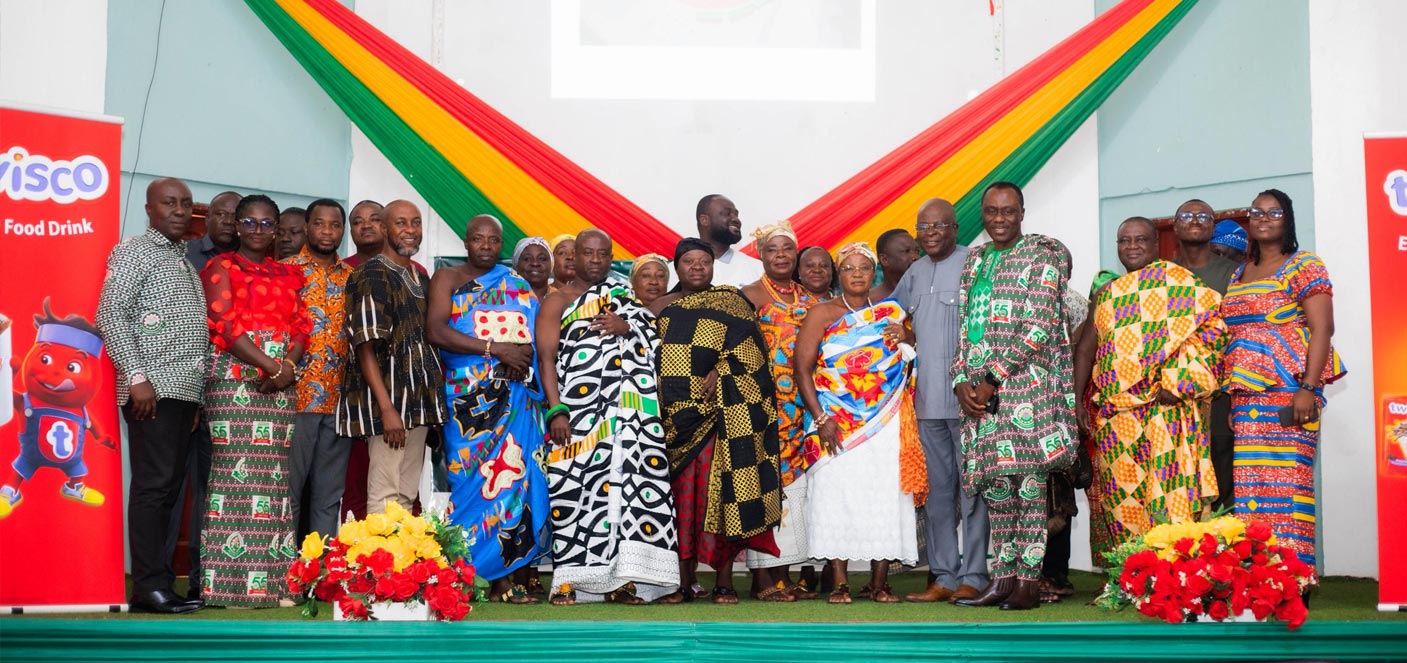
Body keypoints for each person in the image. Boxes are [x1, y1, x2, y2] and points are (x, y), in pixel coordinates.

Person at [537, 229, 680, 605]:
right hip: (579, 415)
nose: (596, 260)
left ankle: (624, 581)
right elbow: (546, 359)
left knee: (627, 495)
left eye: (603, 254)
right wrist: (556, 410)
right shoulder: (557, 301)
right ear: (575, 257)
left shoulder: (625, 298)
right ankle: (568, 582)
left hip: (633, 418)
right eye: (588, 253)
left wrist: (627, 326)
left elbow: (656, 342)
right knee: (575, 492)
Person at [951, 181, 1076, 611]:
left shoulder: (1041, 257)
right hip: (981, 400)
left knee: (1030, 489)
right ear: (982, 215)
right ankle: (1001, 581)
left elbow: (1039, 326)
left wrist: (992, 378)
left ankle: (1028, 582)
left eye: (1008, 211)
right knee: (998, 492)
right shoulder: (976, 261)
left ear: (1022, 212)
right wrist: (960, 383)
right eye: (991, 211)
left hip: (1025, 391)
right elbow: (967, 329)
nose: (999, 219)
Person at [1072, 217, 1227, 551]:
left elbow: (1213, 333)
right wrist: (1076, 402)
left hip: (1164, 411)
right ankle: (1130, 574)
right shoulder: (1107, 293)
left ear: (1157, 244)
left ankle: (1172, 576)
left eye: (1139, 240)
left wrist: (1181, 382)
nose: (1131, 246)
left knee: (1169, 498)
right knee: (1121, 499)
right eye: (1123, 241)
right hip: (1116, 415)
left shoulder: (1180, 282)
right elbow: (1086, 349)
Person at [94, 177, 208, 614]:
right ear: (149, 208)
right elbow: (109, 312)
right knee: (153, 488)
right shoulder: (135, 251)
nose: (179, 210)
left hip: (180, 394)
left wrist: (194, 398)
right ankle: (146, 586)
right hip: (151, 390)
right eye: (169, 203)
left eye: (185, 203)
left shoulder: (179, 259)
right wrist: (136, 375)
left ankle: (157, 583)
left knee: (166, 490)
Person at [427, 215, 549, 604]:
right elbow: (436, 330)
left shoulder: (518, 286)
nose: (484, 245)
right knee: (469, 485)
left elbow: (534, 340)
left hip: (513, 399)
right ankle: (459, 573)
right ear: (466, 242)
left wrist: (520, 359)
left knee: (513, 485)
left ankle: (502, 580)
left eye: (492, 240)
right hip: (467, 403)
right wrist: (495, 350)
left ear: (500, 245)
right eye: (477, 238)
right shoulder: (447, 278)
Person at [198, 194, 311, 608]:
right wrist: (270, 367)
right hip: (235, 380)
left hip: (280, 382)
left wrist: (286, 369)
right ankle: (227, 586)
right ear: (238, 226)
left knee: (275, 480)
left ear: (278, 230)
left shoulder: (288, 273)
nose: (259, 231)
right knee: (234, 477)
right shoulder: (220, 267)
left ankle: (279, 584)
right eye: (250, 223)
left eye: (268, 224)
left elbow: (302, 325)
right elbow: (224, 325)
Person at [656, 238, 783, 604]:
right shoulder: (660, 308)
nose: (697, 268)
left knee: (723, 496)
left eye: (704, 262)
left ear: (713, 267)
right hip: (672, 423)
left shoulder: (733, 302)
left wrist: (724, 369)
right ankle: (682, 582)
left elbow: (755, 358)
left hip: (723, 420)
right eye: (689, 262)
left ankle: (724, 582)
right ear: (676, 268)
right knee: (681, 504)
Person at [1223, 189, 1344, 571]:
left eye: (1273, 212)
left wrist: (1308, 388)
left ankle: (1295, 576)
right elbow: (1235, 338)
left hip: (1290, 391)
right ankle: (1259, 577)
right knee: (1252, 489)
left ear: (1288, 219)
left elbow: (1323, 329)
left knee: (1289, 484)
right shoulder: (1238, 272)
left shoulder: (1304, 264)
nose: (1263, 218)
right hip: (1247, 397)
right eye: (1256, 212)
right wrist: (1232, 399)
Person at [795, 242, 922, 605]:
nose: (856, 274)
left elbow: (911, 352)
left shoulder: (890, 311)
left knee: (884, 494)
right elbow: (802, 369)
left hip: (885, 416)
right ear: (840, 273)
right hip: (835, 420)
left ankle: (879, 583)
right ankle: (839, 583)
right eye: (848, 269)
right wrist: (822, 418)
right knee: (837, 495)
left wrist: (907, 336)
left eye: (863, 268)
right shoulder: (822, 312)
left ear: (873, 273)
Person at [891, 198, 990, 604]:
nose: (929, 233)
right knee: (935, 497)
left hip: (969, 405)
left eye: (938, 225)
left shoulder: (976, 264)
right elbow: (889, 318)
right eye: (923, 227)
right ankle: (944, 576)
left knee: (975, 494)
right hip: (926, 405)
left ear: (954, 228)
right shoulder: (913, 273)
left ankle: (976, 575)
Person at [336, 200, 448, 513]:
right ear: (385, 229)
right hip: (389, 408)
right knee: (383, 499)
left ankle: (402, 562)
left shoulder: (418, 276)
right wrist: (387, 409)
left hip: (417, 406)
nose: (410, 230)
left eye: (416, 222)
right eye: (401, 223)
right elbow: (364, 346)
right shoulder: (372, 273)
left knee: (404, 498)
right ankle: (379, 562)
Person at [738, 220, 819, 601]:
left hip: (802, 408)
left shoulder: (811, 299)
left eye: (787, 249)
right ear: (761, 254)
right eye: (773, 249)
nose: (781, 255)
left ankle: (783, 576)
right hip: (760, 407)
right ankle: (761, 579)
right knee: (763, 488)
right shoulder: (748, 296)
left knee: (797, 492)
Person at [171, 188, 240, 599]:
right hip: (187, 389)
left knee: (219, 489)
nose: (230, 221)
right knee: (182, 486)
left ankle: (212, 578)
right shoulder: (186, 256)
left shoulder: (256, 266)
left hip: (236, 398)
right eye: (222, 213)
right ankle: (177, 577)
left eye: (237, 215)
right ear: (207, 217)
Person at [282, 199, 354, 541]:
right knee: (289, 492)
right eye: (320, 224)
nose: (327, 231)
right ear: (307, 226)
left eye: (335, 225)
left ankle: (320, 573)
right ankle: (284, 573)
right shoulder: (284, 272)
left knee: (328, 496)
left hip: (340, 402)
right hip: (295, 398)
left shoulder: (353, 279)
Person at [1172, 199, 1241, 512]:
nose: (1195, 220)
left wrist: (1236, 394)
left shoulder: (1234, 274)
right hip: (1174, 399)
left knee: (1223, 475)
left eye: (1203, 216)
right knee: (1180, 479)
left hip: (1220, 396)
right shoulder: (1164, 275)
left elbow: (1241, 334)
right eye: (1187, 215)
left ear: (1213, 226)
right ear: (1175, 226)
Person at [343, 199, 428, 276]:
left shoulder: (417, 271)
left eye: (375, 219)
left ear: (385, 227)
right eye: (358, 222)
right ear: (350, 231)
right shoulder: (341, 270)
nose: (366, 226)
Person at [694, 194, 764, 286]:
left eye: (736, 214)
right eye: (727, 213)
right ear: (704, 220)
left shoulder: (758, 268)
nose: (736, 219)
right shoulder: (676, 271)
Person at [186, 191, 240, 271]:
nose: (228, 221)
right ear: (207, 219)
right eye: (221, 214)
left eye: (236, 216)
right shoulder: (185, 252)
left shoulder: (251, 259)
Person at [870, 229, 919, 301]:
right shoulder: (868, 301)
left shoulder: (930, 290)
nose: (916, 257)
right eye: (907, 251)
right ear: (885, 260)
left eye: (917, 251)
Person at [513, 236, 553, 300]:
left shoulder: (563, 299)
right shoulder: (502, 296)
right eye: (527, 259)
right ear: (517, 265)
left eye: (542, 259)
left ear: (551, 265)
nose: (535, 263)